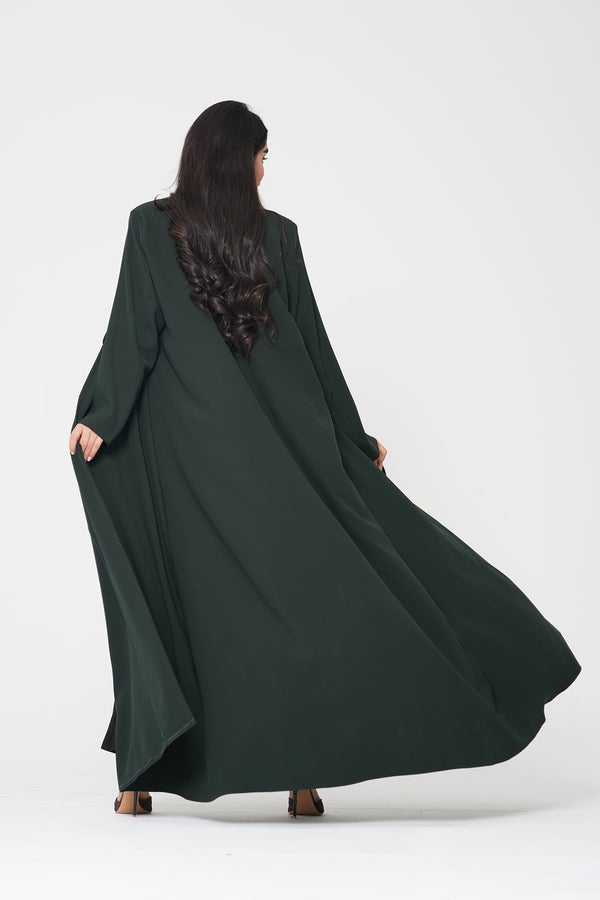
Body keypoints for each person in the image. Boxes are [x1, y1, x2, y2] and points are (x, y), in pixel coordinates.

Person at [69, 100, 581, 820]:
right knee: (307, 601)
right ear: (238, 159)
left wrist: (101, 417)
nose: (264, 169)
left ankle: (145, 774)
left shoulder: (153, 227)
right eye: (261, 156)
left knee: (184, 603)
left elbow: (134, 335)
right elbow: (311, 349)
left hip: (197, 457)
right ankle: (302, 776)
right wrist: (350, 436)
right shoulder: (274, 235)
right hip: (285, 453)